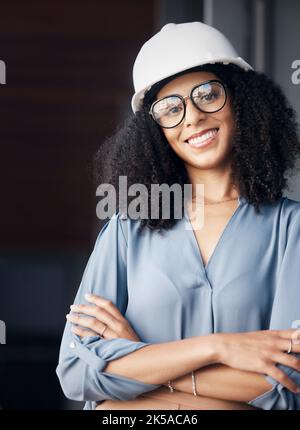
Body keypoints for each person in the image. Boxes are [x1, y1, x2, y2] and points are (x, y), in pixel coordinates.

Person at [56, 22, 300, 410]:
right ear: (155, 132)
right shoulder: (125, 231)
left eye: (207, 94)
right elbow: (77, 371)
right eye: (170, 108)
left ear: (242, 101)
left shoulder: (291, 231)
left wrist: (140, 360)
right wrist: (219, 348)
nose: (192, 117)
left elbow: (288, 386)